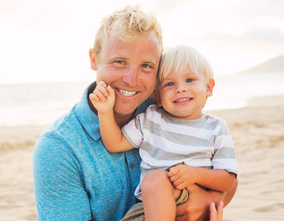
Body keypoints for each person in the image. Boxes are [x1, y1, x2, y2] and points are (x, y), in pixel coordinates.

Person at [33, 5, 238, 221]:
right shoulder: (58, 147)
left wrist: (204, 203)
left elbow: (226, 177)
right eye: (120, 62)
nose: (132, 80)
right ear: (94, 59)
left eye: (147, 66)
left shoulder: (165, 108)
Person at [89, 45, 237, 220]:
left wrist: (195, 174)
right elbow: (115, 143)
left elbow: (228, 179)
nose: (180, 88)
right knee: (154, 183)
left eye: (190, 80)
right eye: (169, 83)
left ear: (209, 88)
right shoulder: (151, 119)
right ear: (157, 97)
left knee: (154, 180)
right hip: (150, 210)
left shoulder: (217, 128)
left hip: (193, 201)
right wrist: (105, 112)